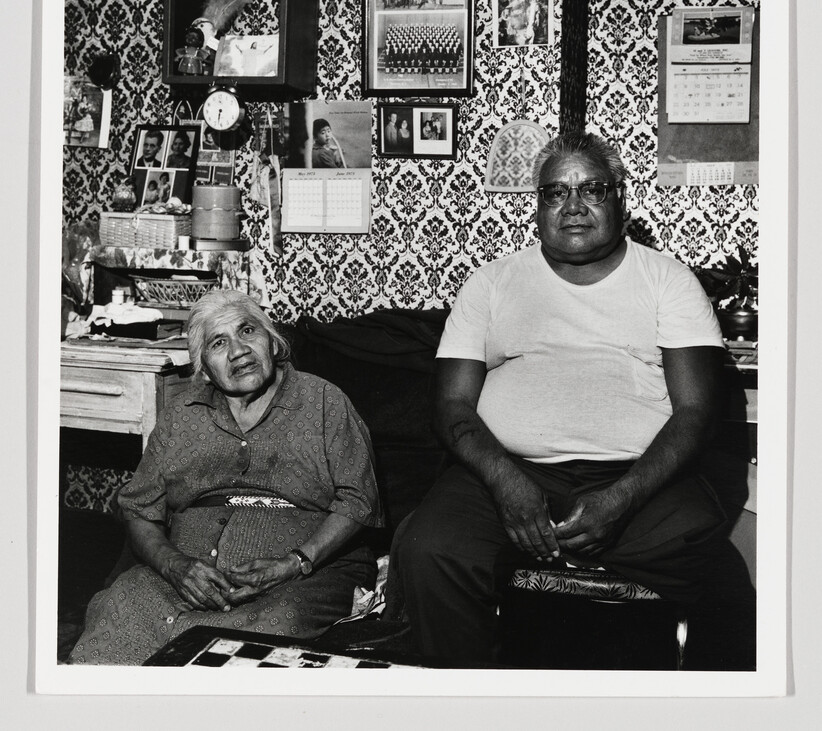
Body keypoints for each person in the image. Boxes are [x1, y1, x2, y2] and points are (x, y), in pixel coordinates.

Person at [390, 131, 755, 670]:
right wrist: (506, 482)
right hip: (506, 472)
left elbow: (696, 412)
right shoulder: (491, 283)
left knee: (714, 571)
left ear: (620, 199)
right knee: (427, 549)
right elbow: (452, 406)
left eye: (593, 190)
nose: (574, 207)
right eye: (556, 193)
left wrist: (623, 499)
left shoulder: (668, 281)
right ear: (537, 206)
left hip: (639, 474)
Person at [70, 290, 383, 665]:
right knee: (121, 608)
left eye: (248, 331)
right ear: (203, 365)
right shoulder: (182, 414)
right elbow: (138, 508)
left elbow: (359, 500)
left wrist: (294, 562)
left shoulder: (322, 401)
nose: (239, 351)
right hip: (186, 574)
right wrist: (174, 566)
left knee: (259, 640)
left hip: (301, 578)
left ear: (272, 339)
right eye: (220, 343)